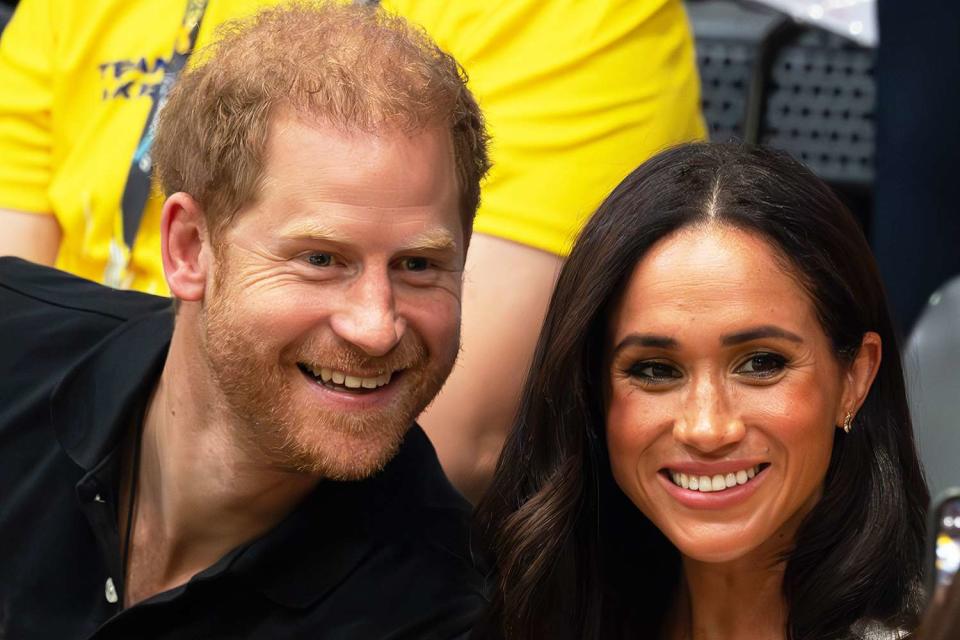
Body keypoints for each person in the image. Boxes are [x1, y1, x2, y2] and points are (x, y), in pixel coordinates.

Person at [0, 0, 705, 502]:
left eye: (417, 264)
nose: (376, 317)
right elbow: (17, 330)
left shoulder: (578, 14)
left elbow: (440, 433)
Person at [0, 3, 489, 638]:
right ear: (189, 248)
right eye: (321, 259)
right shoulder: (11, 348)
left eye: (419, 265)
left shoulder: (448, 612)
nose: (377, 325)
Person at [475, 142, 929, 640]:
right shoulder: (528, 617)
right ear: (590, 392)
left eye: (761, 364)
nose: (707, 428)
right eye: (654, 370)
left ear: (855, 378)